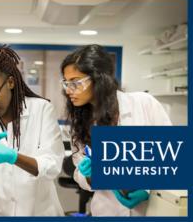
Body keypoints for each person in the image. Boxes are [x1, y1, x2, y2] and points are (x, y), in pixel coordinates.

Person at [60, 44, 172, 216]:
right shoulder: (82, 122)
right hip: (106, 210)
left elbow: (172, 157)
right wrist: (91, 176)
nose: (68, 90)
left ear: (99, 79)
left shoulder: (143, 103)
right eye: (66, 83)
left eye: (75, 83)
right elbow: (79, 173)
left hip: (150, 210)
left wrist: (146, 188)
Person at [0, 45, 65, 216]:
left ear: (10, 82)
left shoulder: (42, 109)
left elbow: (52, 166)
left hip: (39, 212)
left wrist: (12, 157)